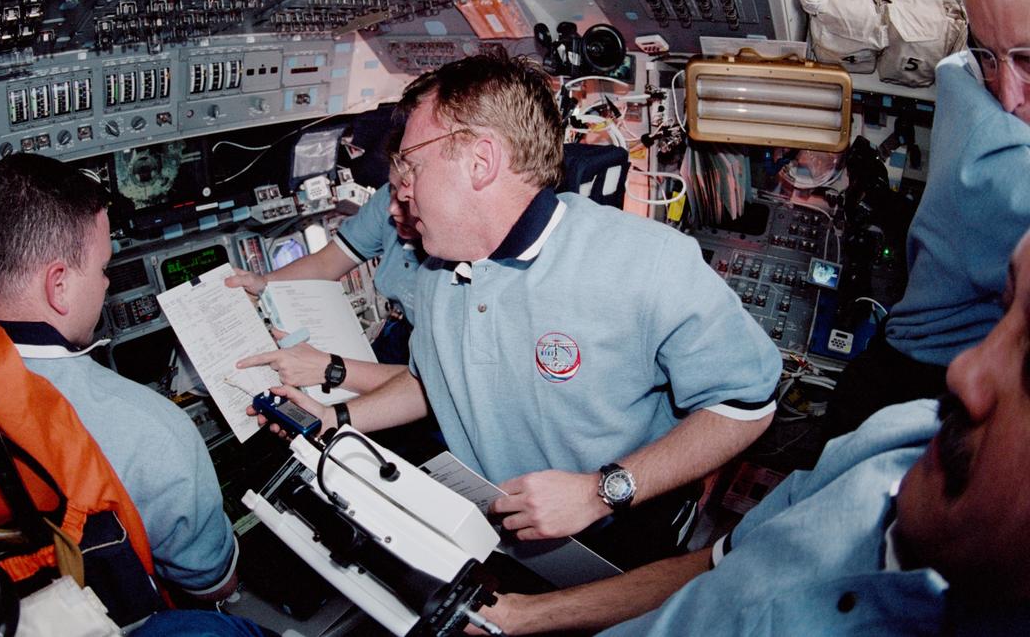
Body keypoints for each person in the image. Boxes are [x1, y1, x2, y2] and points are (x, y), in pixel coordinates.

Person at [256, 52, 781, 568]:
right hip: (490, 537)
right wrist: (337, 418)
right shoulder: (440, 271)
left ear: (481, 163)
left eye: (412, 166)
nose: (403, 190)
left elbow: (746, 404)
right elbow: (432, 381)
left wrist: (602, 492)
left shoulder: (646, 261)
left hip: (618, 537)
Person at [475, 228, 1030, 636]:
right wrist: (523, 616)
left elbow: (746, 401)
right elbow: (714, 566)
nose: (962, 371)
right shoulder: (890, 441)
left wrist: (599, 492)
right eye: (1004, 313)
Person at [0, 153, 242, 604]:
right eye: (103, 268)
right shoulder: (155, 431)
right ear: (57, 285)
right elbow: (215, 583)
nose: (107, 285)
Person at [827, 0, 1030, 437]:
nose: (1007, 94)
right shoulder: (1000, 155)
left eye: (1028, 58)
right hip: (917, 378)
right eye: (988, 53)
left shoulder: (956, 72)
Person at [227, 169, 419, 394]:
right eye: (394, 188)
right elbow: (326, 263)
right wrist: (263, 284)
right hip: (403, 337)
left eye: (407, 195)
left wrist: (328, 369)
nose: (392, 209)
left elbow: (430, 387)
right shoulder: (391, 200)